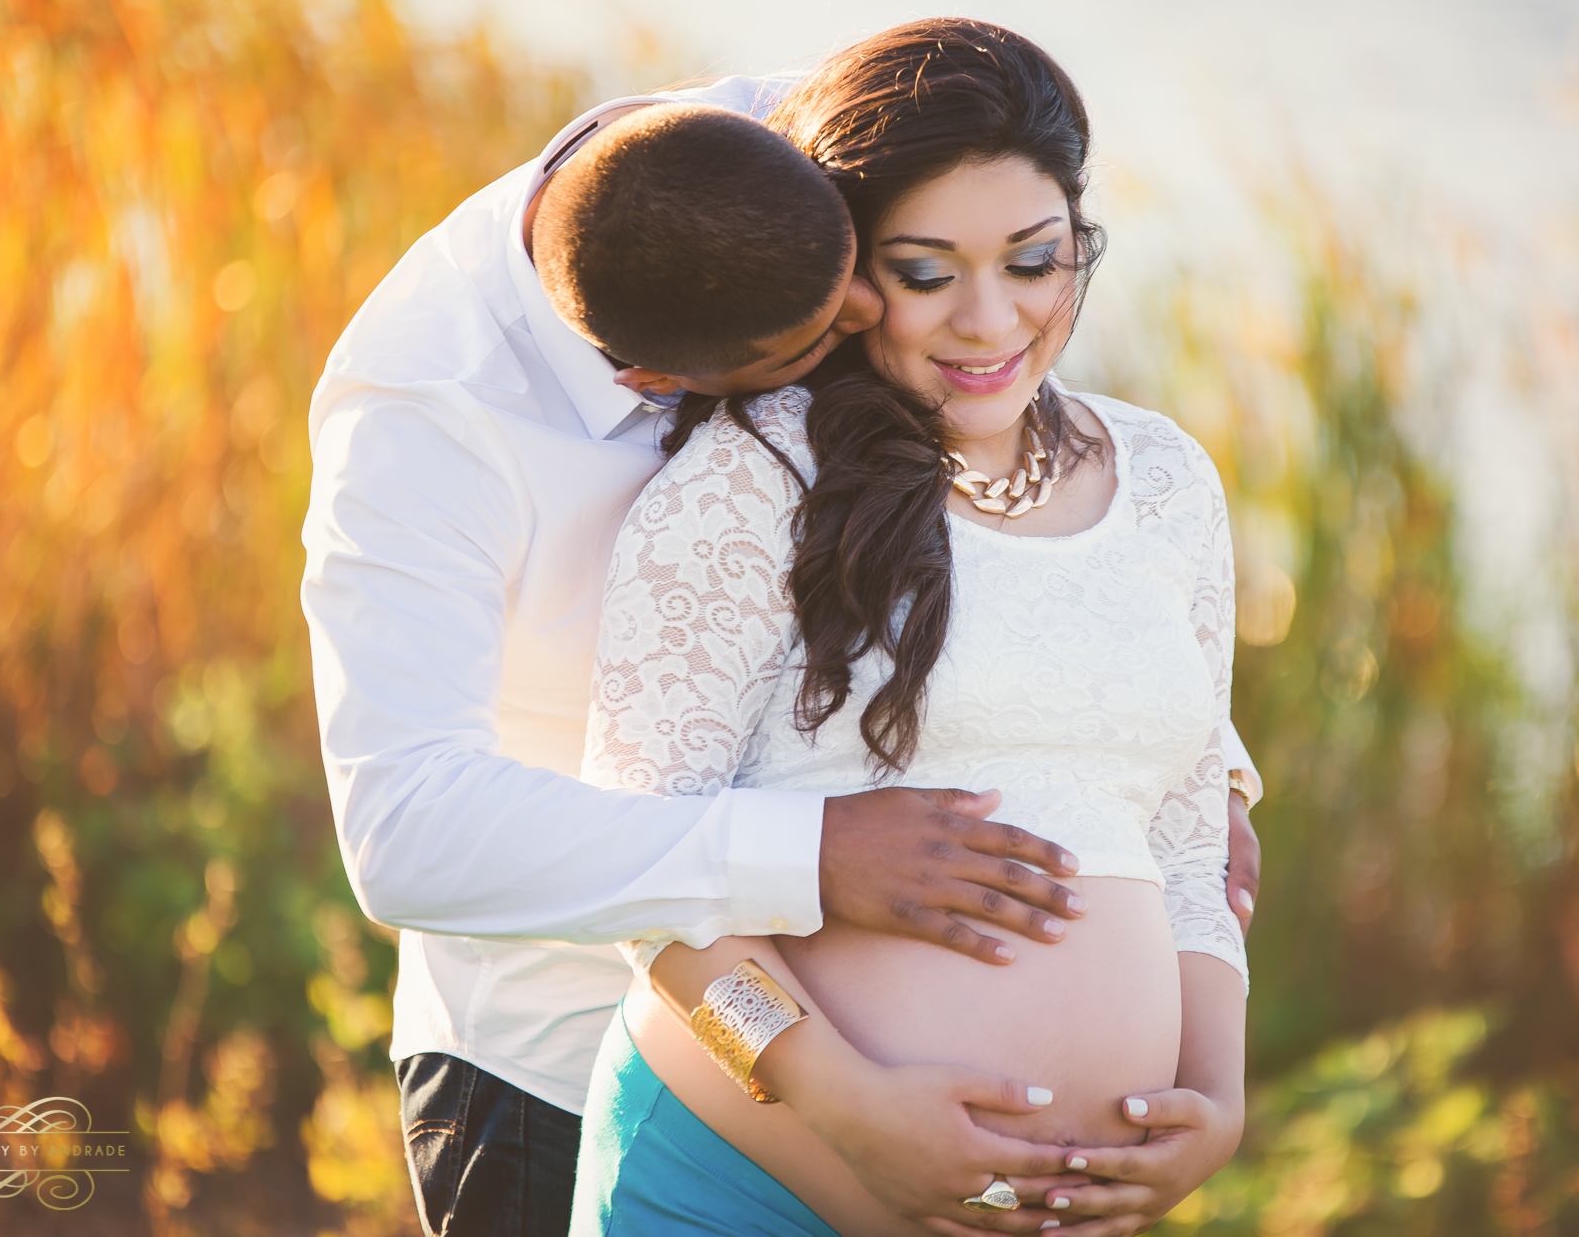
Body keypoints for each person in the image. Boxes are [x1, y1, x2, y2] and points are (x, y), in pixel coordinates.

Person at [301, 71, 1267, 1233]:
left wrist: (1176, 755)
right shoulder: (426, 417)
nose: (875, 331)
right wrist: (812, 860)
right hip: (555, 1057)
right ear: (662, 383)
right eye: (819, 344)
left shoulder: (781, 140)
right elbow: (410, 831)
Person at [570, 19, 1251, 1237]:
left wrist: (1216, 1095)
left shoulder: (1165, 476)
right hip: (746, 1184)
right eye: (927, 272)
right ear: (844, 275)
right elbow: (640, 875)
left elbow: (1190, 835)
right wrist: (840, 1102)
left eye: (1034, 261)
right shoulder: (753, 480)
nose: (989, 322)